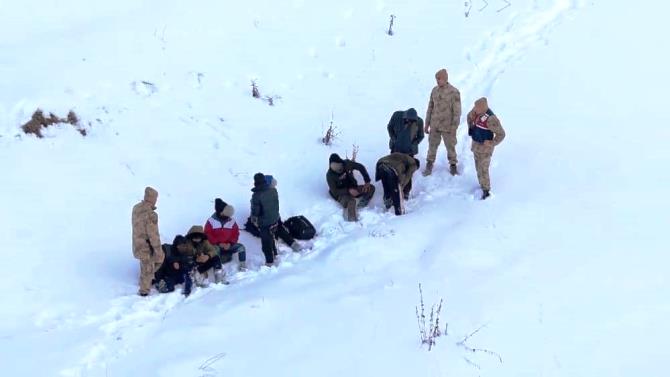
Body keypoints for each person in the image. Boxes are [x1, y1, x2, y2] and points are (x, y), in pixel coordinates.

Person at [424, 68, 462, 176]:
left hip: (448, 126)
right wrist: (427, 124)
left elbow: (457, 112)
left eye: (439, 79)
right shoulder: (434, 90)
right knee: (432, 145)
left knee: (450, 146)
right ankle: (429, 164)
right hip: (434, 124)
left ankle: (453, 165)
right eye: (436, 79)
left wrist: (454, 127)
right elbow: (430, 107)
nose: (437, 81)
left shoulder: (454, 92)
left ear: (445, 78)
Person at [467, 97, 506, 200]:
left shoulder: (491, 119)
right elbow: (469, 117)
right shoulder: (476, 111)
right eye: (474, 107)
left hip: (485, 150)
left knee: (483, 169)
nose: (474, 109)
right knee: (478, 168)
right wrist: (472, 119)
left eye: (476, 108)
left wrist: (492, 143)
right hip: (476, 146)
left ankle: (486, 191)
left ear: (482, 108)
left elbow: (501, 134)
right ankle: (481, 184)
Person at [131, 186, 165, 296]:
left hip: (136, 243)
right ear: (153, 199)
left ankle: (145, 281)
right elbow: (153, 235)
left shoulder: (136, 208)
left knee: (144, 265)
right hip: (147, 245)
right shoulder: (151, 214)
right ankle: (144, 290)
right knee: (152, 263)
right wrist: (158, 250)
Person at [387, 108, 424, 198]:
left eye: (412, 121)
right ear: (405, 117)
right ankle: (392, 189)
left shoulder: (419, 121)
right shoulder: (396, 115)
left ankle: (406, 191)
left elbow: (421, 136)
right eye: (408, 120)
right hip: (396, 148)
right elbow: (389, 127)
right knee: (394, 168)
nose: (410, 122)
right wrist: (393, 138)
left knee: (408, 170)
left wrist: (414, 143)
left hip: (409, 151)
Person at [326, 153, 375, 222]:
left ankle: (361, 204)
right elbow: (335, 192)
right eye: (336, 170)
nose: (339, 171)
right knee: (351, 202)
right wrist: (348, 191)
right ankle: (352, 223)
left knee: (371, 188)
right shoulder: (329, 176)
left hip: (353, 187)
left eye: (340, 169)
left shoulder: (347, 163)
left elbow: (360, 167)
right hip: (342, 195)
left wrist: (367, 181)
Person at [205, 198, 248, 271]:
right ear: (220, 212)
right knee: (215, 250)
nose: (228, 217)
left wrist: (230, 243)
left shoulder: (232, 221)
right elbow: (207, 235)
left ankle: (242, 267)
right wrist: (219, 243)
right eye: (226, 215)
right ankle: (218, 271)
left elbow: (236, 234)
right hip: (216, 246)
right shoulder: (211, 221)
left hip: (228, 245)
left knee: (241, 247)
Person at [250, 172, 280, 267]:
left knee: (266, 242)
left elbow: (256, 212)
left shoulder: (256, 196)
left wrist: (254, 220)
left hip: (265, 223)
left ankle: (269, 262)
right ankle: (275, 253)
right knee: (271, 236)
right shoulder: (273, 190)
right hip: (275, 219)